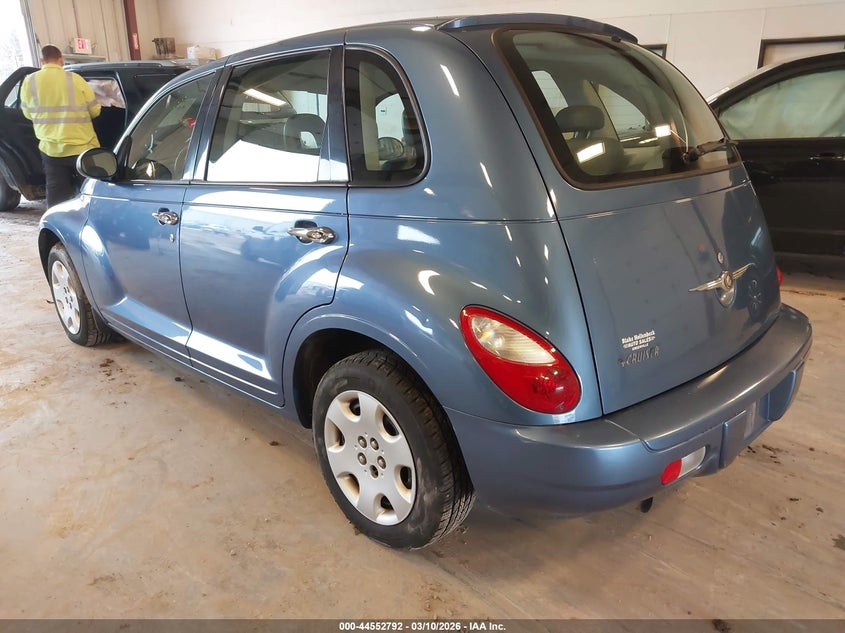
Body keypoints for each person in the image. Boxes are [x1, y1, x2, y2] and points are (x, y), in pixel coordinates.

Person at [20, 45, 101, 207]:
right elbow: (95, 110)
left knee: (56, 192)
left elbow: (27, 114)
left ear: (41, 60)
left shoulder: (29, 82)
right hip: (82, 146)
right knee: (90, 190)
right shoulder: (75, 79)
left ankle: (56, 226)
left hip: (51, 149)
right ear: (61, 60)